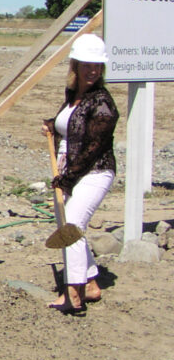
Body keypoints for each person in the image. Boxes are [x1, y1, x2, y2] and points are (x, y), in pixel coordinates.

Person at [41, 33, 118, 314]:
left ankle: (73, 293)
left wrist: (66, 179)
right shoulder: (75, 95)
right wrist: (52, 124)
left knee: (71, 225)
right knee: (69, 222)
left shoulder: (103, 104)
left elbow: (92, 150)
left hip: (95, 171)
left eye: (97, 66)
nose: (92, 70)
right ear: (75, 65)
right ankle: (92, 283)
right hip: (70, 169)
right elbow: (70, 125)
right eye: (87, 64)